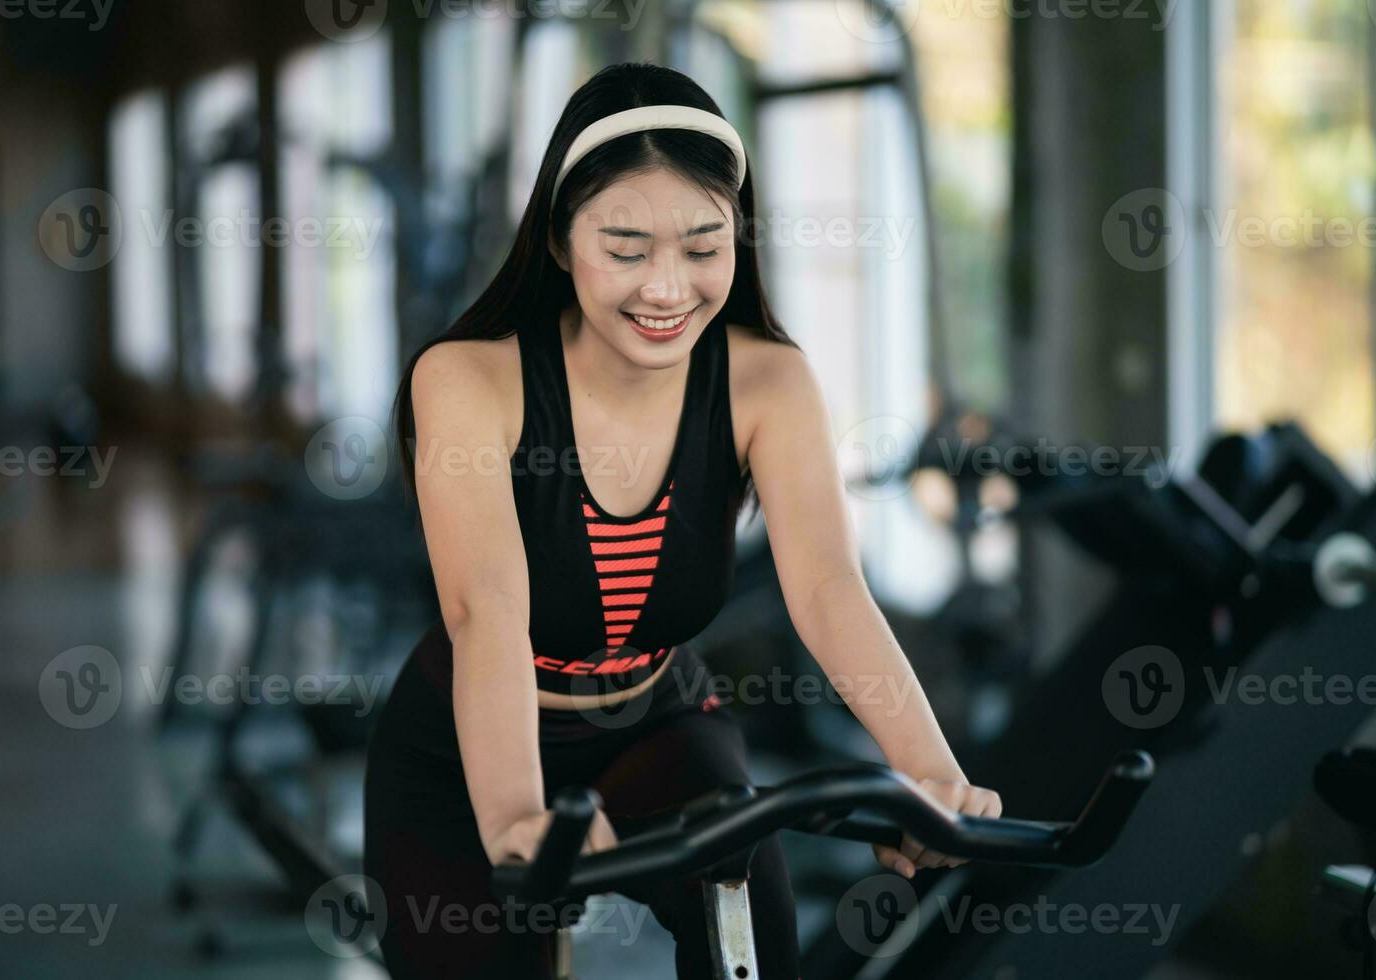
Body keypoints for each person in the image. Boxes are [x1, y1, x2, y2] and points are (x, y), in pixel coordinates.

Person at [365, 61, 1002, 979]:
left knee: (751, 913)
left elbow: (826, 588)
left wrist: (930, 774)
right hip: (467, 742)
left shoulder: (766, 382)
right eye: (626, 248)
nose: (668, 289)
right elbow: (488, 610)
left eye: (704, 248)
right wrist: (513, 813)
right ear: (556, 238)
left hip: (654, 719)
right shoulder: (470, 380)